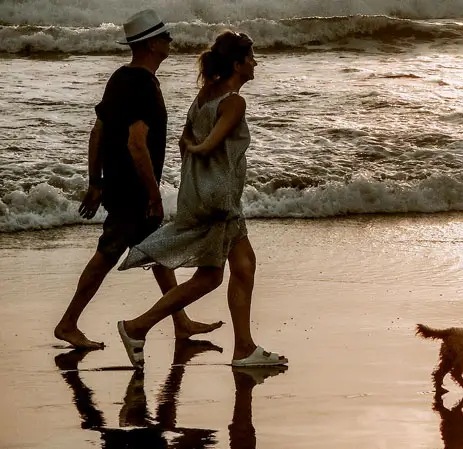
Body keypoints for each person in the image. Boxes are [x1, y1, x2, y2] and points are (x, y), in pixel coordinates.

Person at [116, 31, 288, 368]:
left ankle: (244, 348)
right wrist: (201, 150)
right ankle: (137, 326)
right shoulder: (234, 102)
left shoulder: (204, 96)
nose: (255, 63)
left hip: (205, 196)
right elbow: (206, 143)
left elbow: (184, 140)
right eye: (251, 57)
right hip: (219, 199)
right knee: (210, 277)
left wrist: (194, 158)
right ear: (237, 64)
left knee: (244, 265)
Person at [53, 9, 222, 349]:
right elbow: (136, 144)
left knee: (157, 250)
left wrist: (96, 181)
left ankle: (181, 321)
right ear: (151, 45)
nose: (170, 41)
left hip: (117, 183)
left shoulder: (120, 78)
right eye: (165, 37)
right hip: (132, 189)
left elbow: (97, 130)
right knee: (107, 253)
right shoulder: (143, 85)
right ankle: (68, 323)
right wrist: (153, 193)